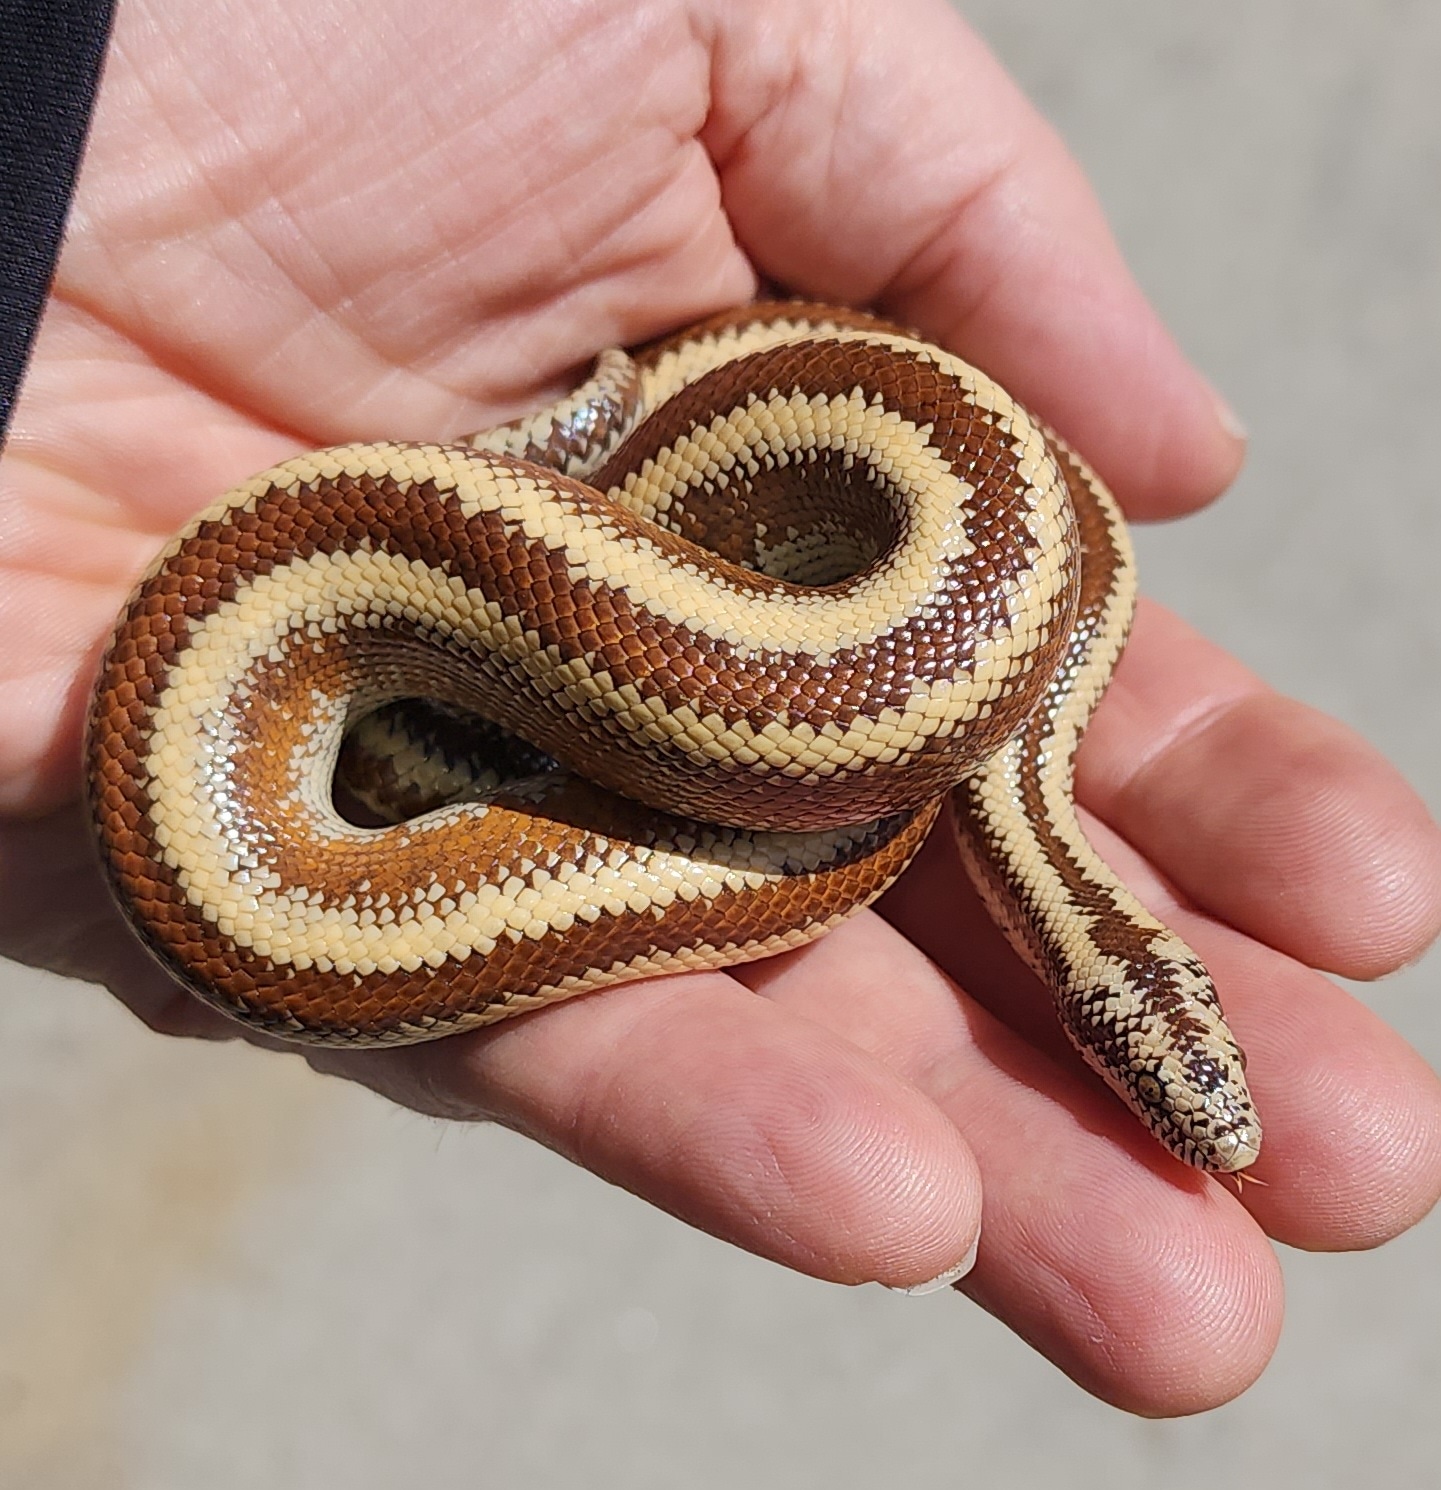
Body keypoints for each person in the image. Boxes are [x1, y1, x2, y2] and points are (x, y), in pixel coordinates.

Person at [2, 0, 1438, 1415]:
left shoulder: (972, 651)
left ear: (1110, 1015)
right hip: (316, 633)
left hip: (671, 546)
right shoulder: (970, 655)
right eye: (1187, 1063)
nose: (1193, 1100)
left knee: (866, 758)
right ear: (1122, 1000)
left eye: (1162, 1078)